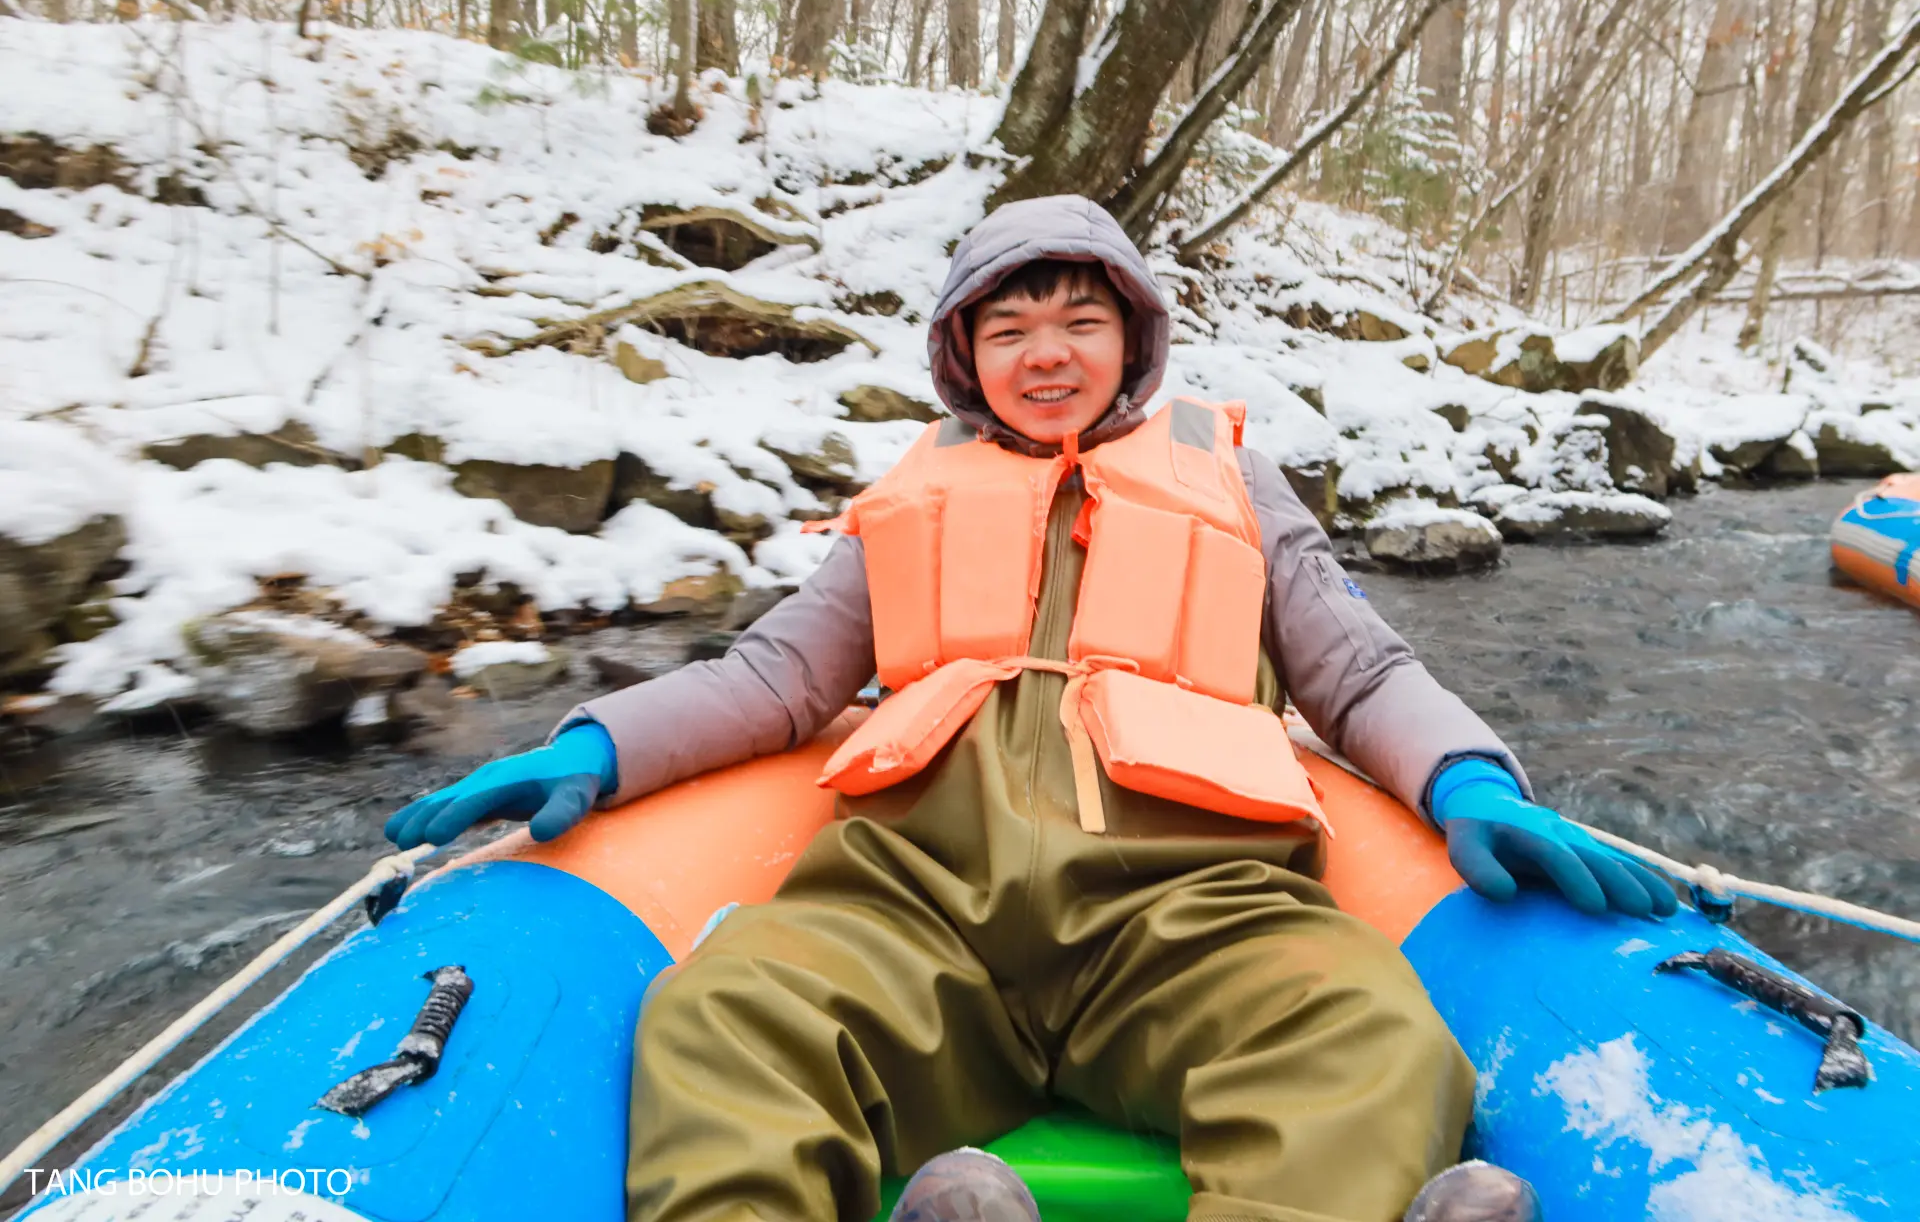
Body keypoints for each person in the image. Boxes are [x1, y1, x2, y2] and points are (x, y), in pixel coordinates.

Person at [386, 195, 1674, 1222]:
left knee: (1374, 1042)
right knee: (725, 1015)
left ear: (1131, 340)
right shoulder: (913, 496)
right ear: (965, 356)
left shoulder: (1233, 478)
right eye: (1006, 331)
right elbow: (771, 678)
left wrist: (1466, 781)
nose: (1044, 353)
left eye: (1075, 321)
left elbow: (1362, 673)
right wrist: (594, 748)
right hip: (914, 910)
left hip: (1193, 918)